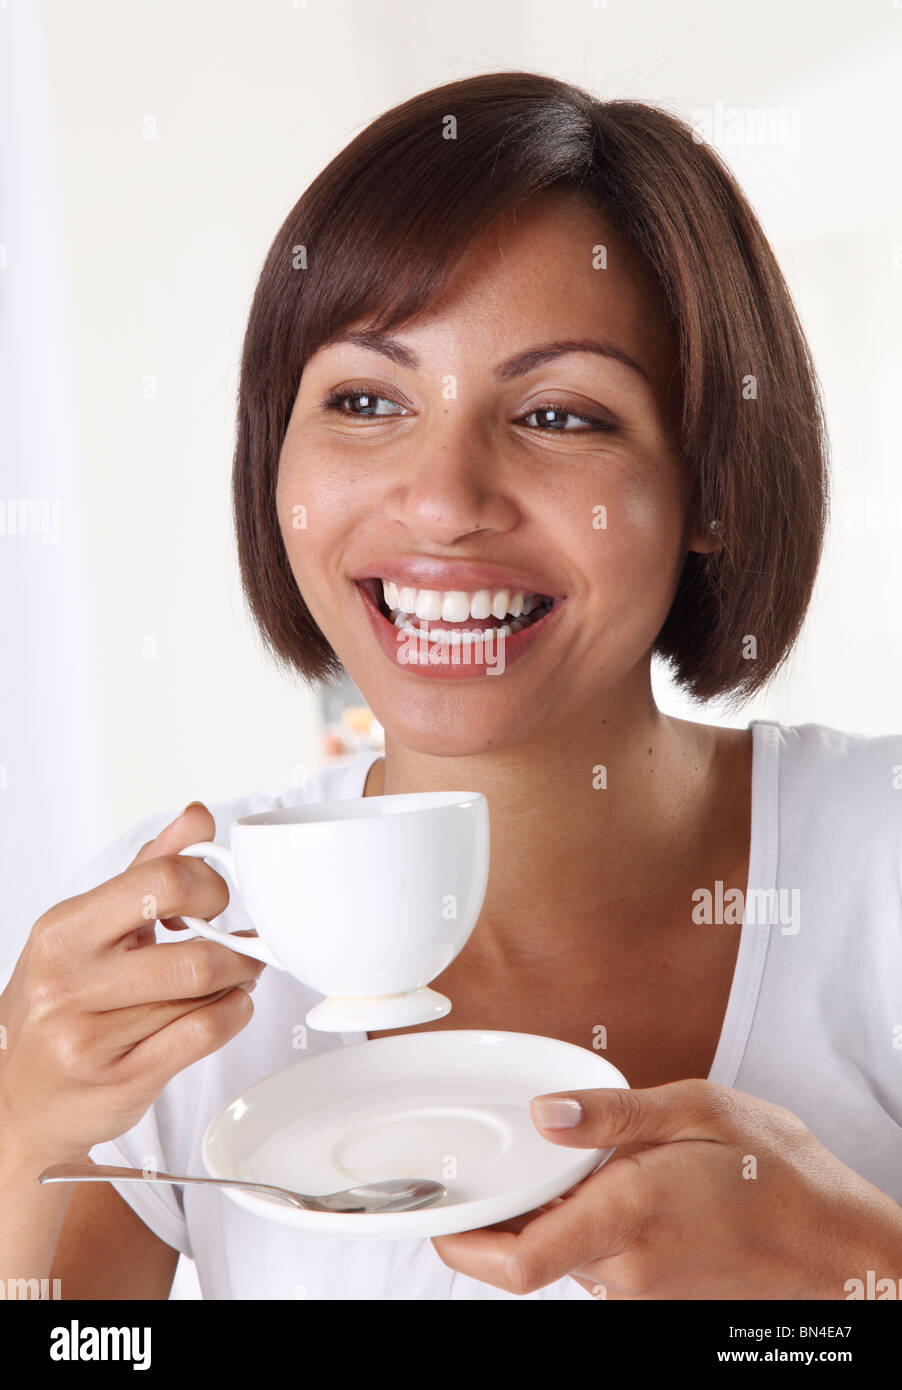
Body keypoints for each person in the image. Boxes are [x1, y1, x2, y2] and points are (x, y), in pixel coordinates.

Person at [2, 71, 900, 1301]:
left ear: (713, 487)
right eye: (366, 399)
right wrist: (17, 1146)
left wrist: (861, 1275)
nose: (439, 501)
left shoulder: (878, 869)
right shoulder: (167, 958)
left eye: (558, 413)